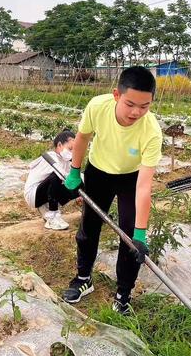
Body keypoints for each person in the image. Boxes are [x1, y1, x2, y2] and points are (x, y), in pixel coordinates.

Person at [62, 66, 162, 314]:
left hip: (131, 177)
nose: (136, 112)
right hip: (99, 171)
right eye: (130, 104)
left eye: (145, 106)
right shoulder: (98, 106)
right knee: (89, 227)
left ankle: (123, 295)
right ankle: (84, 279)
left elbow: (144, 185)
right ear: (116, 95)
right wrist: (75, 171)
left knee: (129, 239)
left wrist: (140, 234)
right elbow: (83, 138)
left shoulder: (151, 131)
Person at [24, 129, 79, 230]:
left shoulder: (67, 162)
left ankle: (46, 207)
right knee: (57, 176)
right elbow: (63, 177)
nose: (72, 152)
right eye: (70, 148)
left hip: (45, 193)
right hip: (34, 194)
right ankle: (52, 216)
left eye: (74, 150)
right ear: (59, 145)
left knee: (79, 182)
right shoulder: (51, 157)